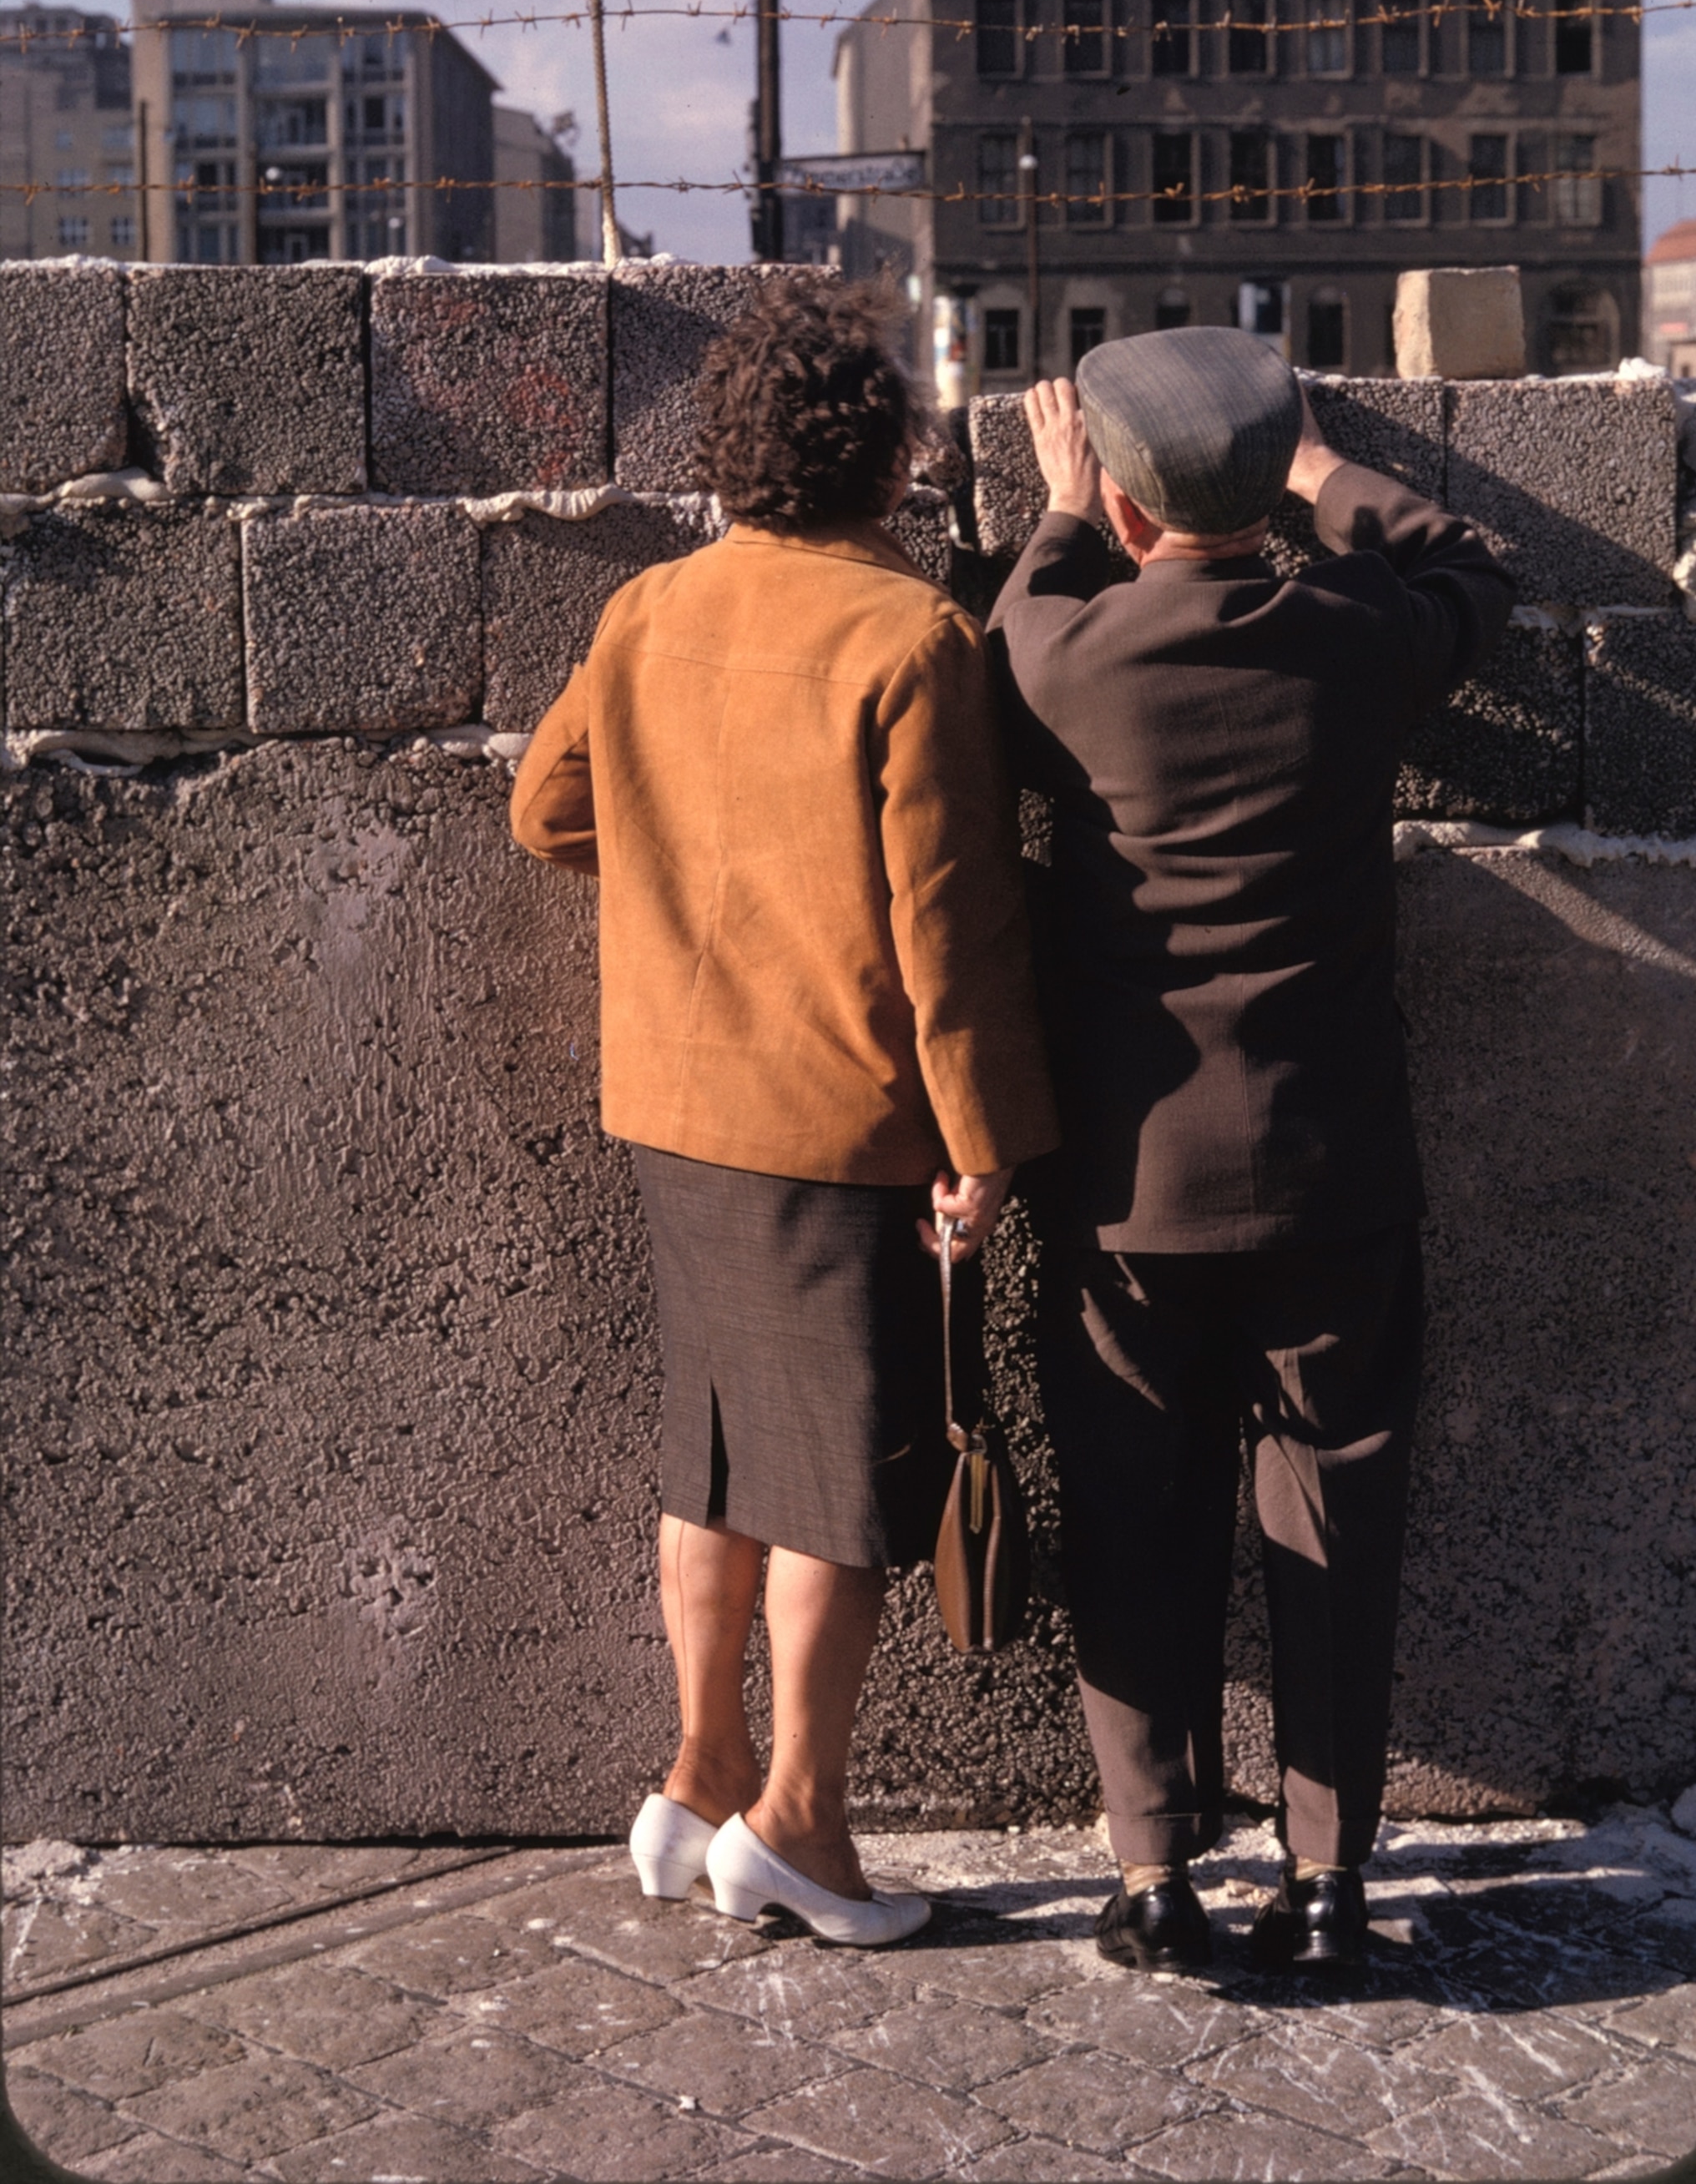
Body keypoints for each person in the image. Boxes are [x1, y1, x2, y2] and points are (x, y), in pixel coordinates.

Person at [511, 278, 1057, 1949]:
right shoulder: (913, 641)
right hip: (836, 1123)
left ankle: (699, 1770)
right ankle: (801, 1827)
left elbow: (548, 813)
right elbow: (946, 932)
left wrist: (691, 886)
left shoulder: (648, 613)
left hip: (672, 1104)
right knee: (841, 1482)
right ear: (890, 464)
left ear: (726, 457)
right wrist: (983, 1141)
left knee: (717, 1451)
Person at [990, 327, 1514, 1977]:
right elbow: (1470, 569)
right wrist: (1307, 464)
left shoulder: (1065, 657)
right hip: (1330, 1170)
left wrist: (1064, 506)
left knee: (1131, 1515)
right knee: (1338, 1525)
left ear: (1127, 508)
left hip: (1129, 1189)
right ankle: (1331, 1877)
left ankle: (1153, 1874)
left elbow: (1018, 612)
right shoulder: (1354, 641)